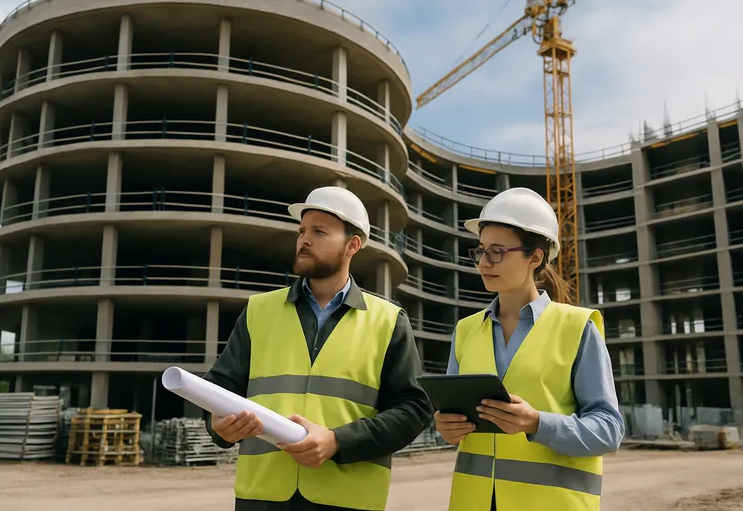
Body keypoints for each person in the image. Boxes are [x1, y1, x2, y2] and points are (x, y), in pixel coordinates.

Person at [203, 186, 434, 511]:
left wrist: (337, 441)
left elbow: (414, 409)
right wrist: (217, 425)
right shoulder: (259, 311)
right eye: (301, 231)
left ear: (352, 245)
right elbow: (220, 388)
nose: (304, 240)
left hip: (347, 500)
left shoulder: (388, 321)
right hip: (262, 498)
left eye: (319, 232)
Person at [434, 187, 624, 511]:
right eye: (480, 251)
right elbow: (451, 422)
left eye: (496, 252)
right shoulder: (465, 331)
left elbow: (609, 429)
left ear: (535, 257)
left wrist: (537, 423)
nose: (483, 262)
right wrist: (445, 428)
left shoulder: (578, 328)